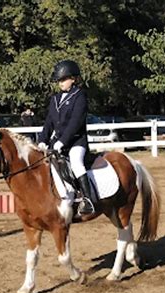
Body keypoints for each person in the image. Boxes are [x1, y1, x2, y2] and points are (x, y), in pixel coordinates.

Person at [38, 60, 95, 215]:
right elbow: (49, 122)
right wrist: (43, 140)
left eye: (63, 79)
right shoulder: (55, 99)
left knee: (76, 163)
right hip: (57, 143)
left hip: (76, 141)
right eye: (59, 80)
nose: (60, 83)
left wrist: (62, 141)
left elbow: (75, 122)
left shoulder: (80, 96)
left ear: (73, 79)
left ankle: (87, 199)